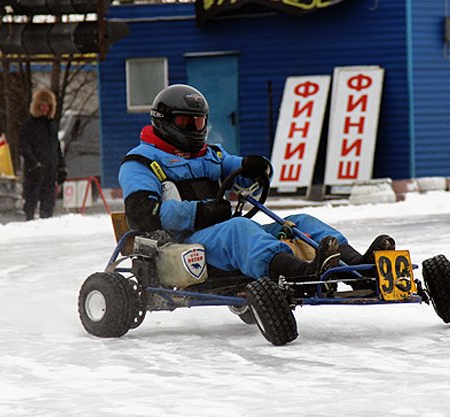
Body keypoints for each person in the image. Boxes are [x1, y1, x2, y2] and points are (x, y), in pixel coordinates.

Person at [118, 84, 394, 282]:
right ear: (165, 122)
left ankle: (358, 267)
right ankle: (299, 273)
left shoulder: (210, 155)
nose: (194, 129)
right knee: (239, 228)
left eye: (199, 123)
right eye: (185, 123)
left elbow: (240, 169)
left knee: (301, 221)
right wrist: (200, 211)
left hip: (220, 233)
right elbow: (142, 215)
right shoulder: (140, 162)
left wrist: (258, 166)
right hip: (181, 243)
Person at [20, 88, 67, 221]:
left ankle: (46, 225)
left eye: (47, 106)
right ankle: (29, 223)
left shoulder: (51, 125)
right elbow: (24, 146)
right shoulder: (30, 125)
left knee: (48, 203)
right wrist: (34, 164)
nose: (44, 109)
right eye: (42, 105)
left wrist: (61, 166)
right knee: (31, 201)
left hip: (50, 171)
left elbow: (56, 148)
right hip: (34, 172)